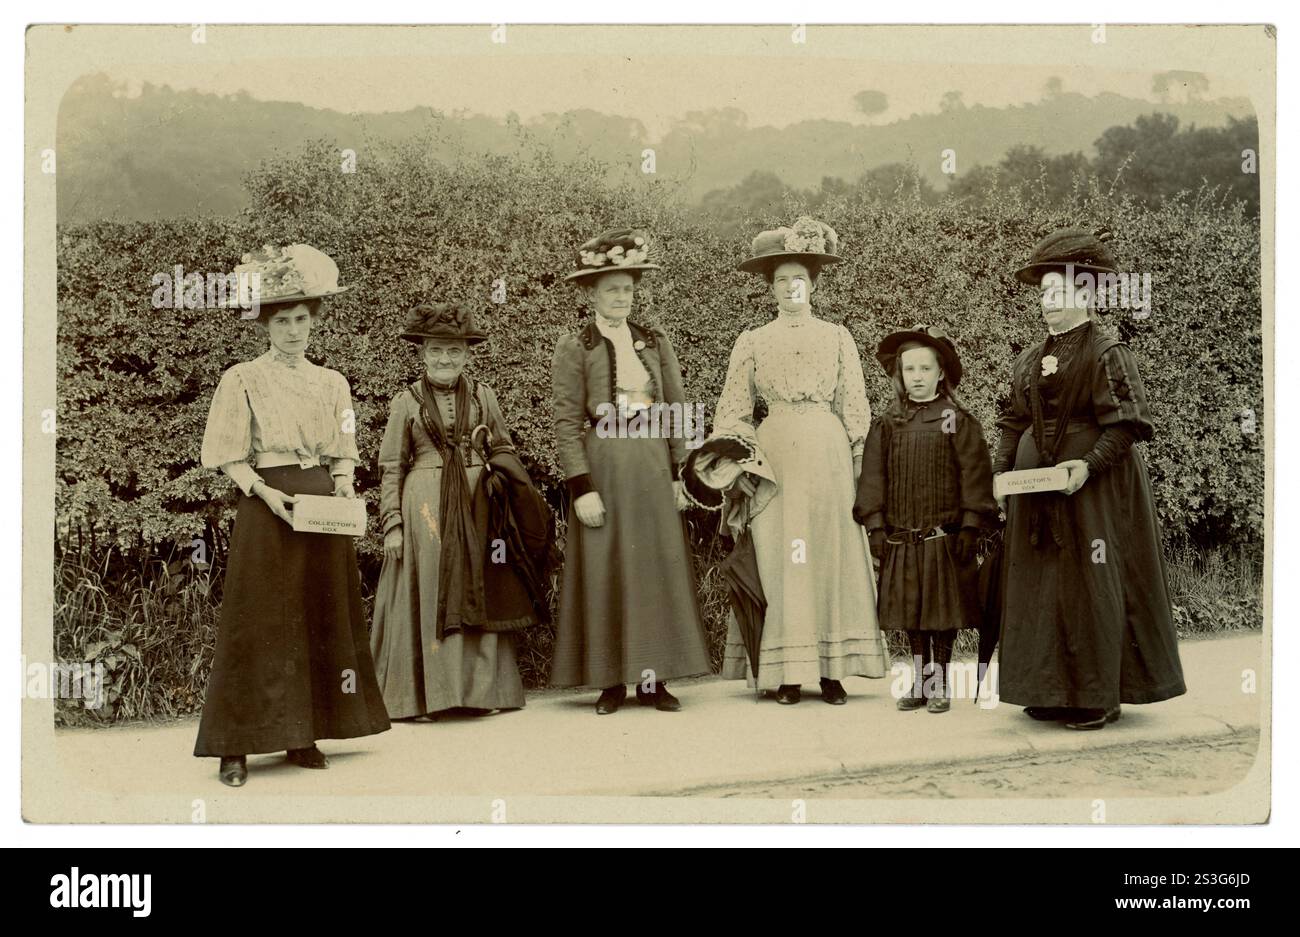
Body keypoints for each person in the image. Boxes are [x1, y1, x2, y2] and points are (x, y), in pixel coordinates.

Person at [196, 244, 390, 787]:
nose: (294, 330)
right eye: (283, 321)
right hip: (268, 501)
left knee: (318, 615)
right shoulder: (242, 379)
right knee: (256, 620)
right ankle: (233, 747)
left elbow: (344, 448)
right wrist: (262, 491)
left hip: (321, 503)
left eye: (302, 319)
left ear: (314, 322)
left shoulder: (333, 383)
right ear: (266, 324)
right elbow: (228, 452)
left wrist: (346, 490)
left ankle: (302, 734)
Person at [993, 227, 1186, 730]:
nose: (1048, 304)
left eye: (1058, 293)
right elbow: (1013, 420)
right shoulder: (1032, 359)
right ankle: (1052, 689)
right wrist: (999, 473)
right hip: (1037, 493)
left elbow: (1126, 424)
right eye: (1042, 295)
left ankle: (1101, 695)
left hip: (1095, 490)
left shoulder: (1107, 352)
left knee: (1092, 581)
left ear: (1084, 293)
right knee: (1046, 585)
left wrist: (1087, 465)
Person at [710, 217, 889, 704]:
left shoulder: (837, 337)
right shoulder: (752, 341)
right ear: (770, 289)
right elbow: (733, 412)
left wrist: (858, 461)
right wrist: (740, 464)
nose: (792, 289)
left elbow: (855, 406)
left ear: (813, 286)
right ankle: (787, 673)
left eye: (800, 281)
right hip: (776, 461)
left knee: (830, 556)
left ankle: (832, 672)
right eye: (782, 282)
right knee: (782, 558)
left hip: (828, 455)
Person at [549, 228, 711, 714]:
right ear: (592, 292)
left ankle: (654, 679)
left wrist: (682, 474)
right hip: (606, 467)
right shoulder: (575, 345)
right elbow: (564, 420)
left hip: (651, 466)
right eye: (611, 289)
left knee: (654, 565)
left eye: (628, 289)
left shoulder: (655, 340)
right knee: (606, 567)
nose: (622, 297)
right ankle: (610, 683)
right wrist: (582, 489)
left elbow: (677, 409)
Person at [369, 302, 535, 721]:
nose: (446, 360)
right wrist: (392, 525)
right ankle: (429, 697)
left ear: (467, 355)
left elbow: (504, 446)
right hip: (425, 503)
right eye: (437, 351)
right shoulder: (405, 403)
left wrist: (498, 478)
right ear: (423, 353)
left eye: (455, 352)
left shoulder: (484, 395)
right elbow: (391, 466)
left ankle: (479, 693)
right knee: (429, 588)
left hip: (479, 504)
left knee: (481, 583)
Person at [854, 325, 997, 713]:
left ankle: (940, 684)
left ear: (940, 373)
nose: (916, 376)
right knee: (912, 611)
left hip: (943, 537)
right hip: (903, 535)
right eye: (909, 369)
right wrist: (876, 526)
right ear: (899, 375)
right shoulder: (888, 423)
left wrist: (971, 524)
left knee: (940, 611)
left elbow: (974, 473)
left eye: (924, 369)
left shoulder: (954, 419)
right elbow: (873, 478)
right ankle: (919, 682)